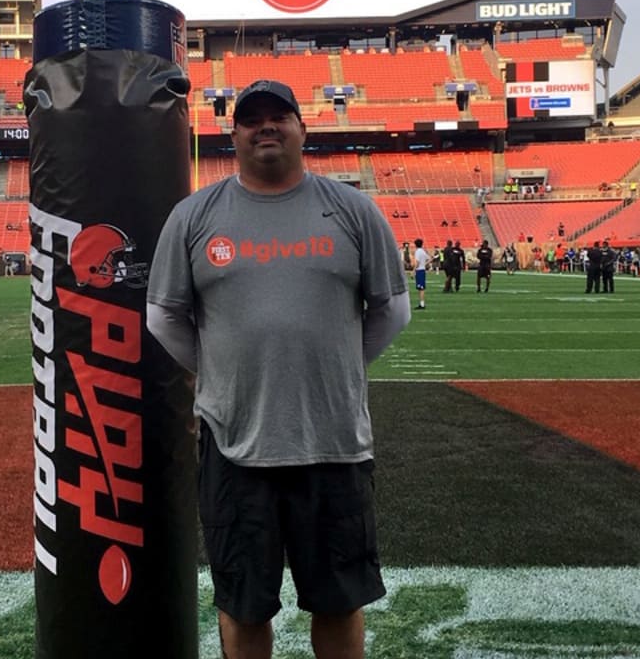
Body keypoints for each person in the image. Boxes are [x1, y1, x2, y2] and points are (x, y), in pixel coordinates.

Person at [147, 79, 410, 659]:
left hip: (334, 441)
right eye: (252, 119)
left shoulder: (352, 210)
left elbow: (392, 310)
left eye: (279, 116)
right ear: (233, 133)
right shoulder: (195, 216)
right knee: (242, 607)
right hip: (236, 443)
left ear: (302, 128)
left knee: (340, 602)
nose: (266, 126)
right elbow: (163, 316)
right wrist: (218, 370)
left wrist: (338, 362)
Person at [412, 237, 429, 309]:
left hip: (419, 271)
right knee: (420, 288)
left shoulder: (418, 252)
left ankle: (422, 304)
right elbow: (429, 258)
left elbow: (417, 262)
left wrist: (413, 271)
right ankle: (421, 303)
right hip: (422, 270)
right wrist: (424, 264)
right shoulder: (422, 251)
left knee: (421, 288)